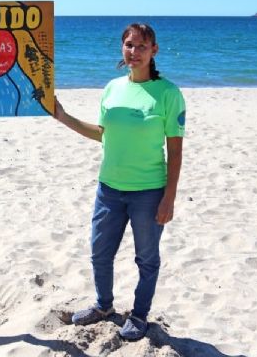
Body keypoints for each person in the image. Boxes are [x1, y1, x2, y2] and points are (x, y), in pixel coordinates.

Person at [54, 23, 185, 341]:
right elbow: (103, 134)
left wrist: (169, 198)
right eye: (129, 45)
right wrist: (63, 115)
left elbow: (176, 151)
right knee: (100, 253)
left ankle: (139, 316)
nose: (134, 52)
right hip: (109, 188)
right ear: (121, 48)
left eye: (142, 46)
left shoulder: (168, 93)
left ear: (154, 50)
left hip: (149, 192)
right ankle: (103, 306)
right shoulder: (112, 88)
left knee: (146, 258)